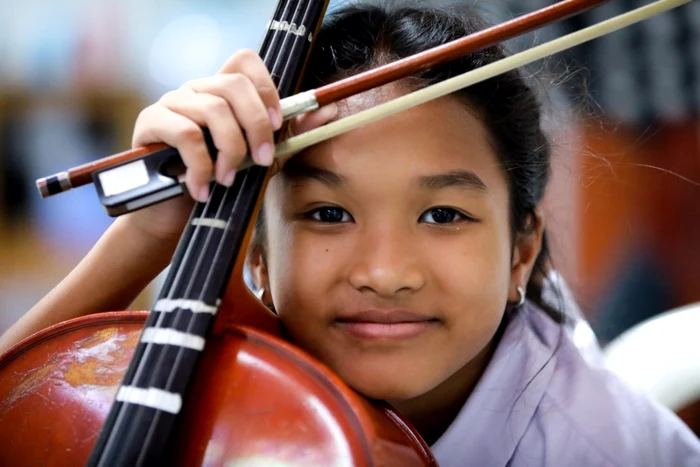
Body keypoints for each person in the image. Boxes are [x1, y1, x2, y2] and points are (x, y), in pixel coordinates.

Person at [2, 3, 699, 466]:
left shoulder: (599, 446)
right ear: (257, 258)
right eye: (329, 213)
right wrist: (151, 234)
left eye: (443, 215)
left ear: (521, 251)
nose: (385, 271)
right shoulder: (236, 354)